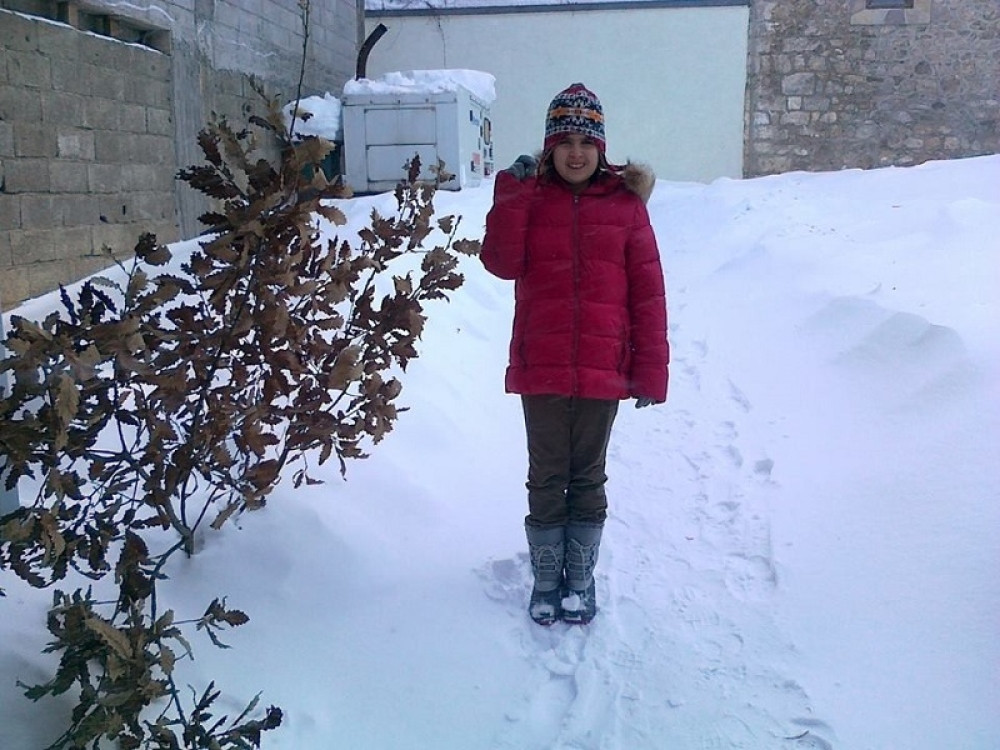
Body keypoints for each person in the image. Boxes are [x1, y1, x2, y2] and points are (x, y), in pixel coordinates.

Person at [480, 83, 669, 625]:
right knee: (545, 476)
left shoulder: (626, 206)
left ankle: (579, 581)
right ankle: (546, 578)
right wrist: (511, 196)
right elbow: (501, 262)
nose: (576, 153)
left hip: (602, 368)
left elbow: (648, 293)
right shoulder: (532, 198)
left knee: (587, 475)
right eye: (565, 141)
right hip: (542, 362)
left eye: (586, 141)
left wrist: (649, 372)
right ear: (549, 148)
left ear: (601, 148)